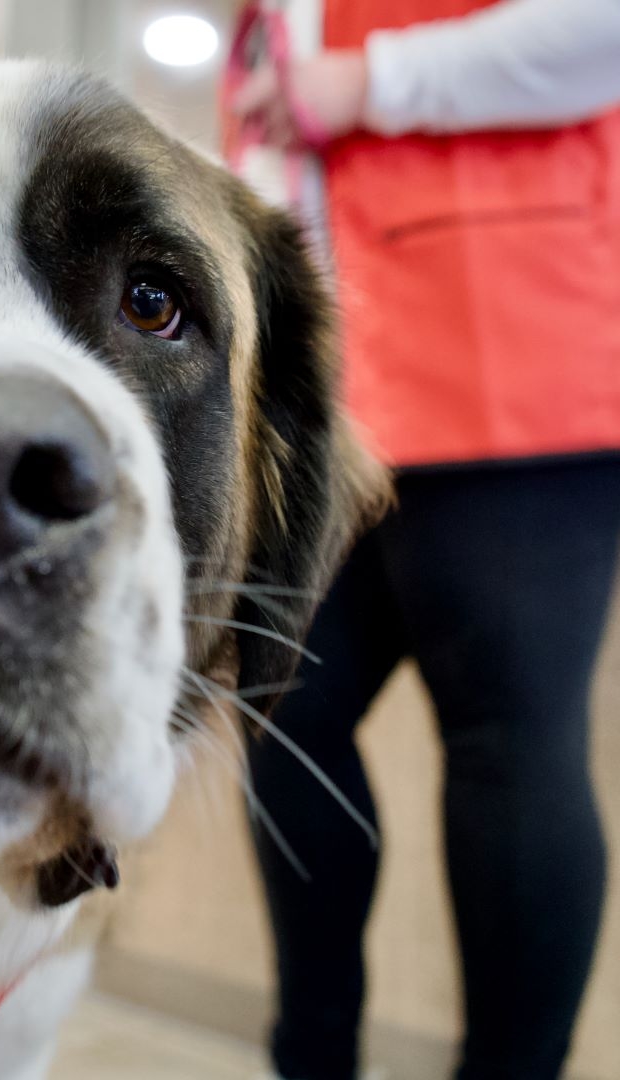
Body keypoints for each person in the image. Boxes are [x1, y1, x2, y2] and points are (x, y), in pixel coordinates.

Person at [221, 2, 620, 1078]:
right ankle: (309, 1061)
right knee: (284, 720)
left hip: (508, 340)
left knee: (506, 739)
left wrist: (374, 82)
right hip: (325, 402)